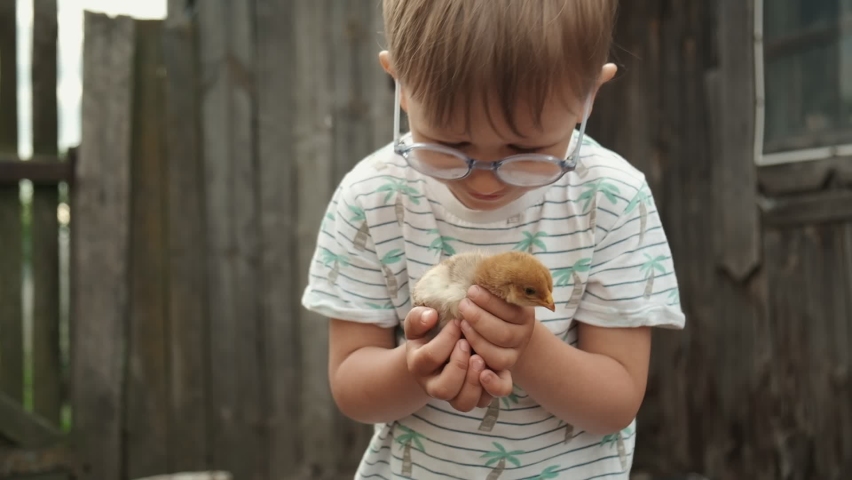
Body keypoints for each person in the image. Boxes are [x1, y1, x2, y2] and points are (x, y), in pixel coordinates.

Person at [301, 0, 686, 478]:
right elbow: (351, 386)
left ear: (588, 95)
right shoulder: (372, 199)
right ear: (399, 84)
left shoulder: (611, 200)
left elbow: (616, 401)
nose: (485, 181)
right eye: (449, 146)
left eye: (525, 150)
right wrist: (414, 368)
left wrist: (524, 347)